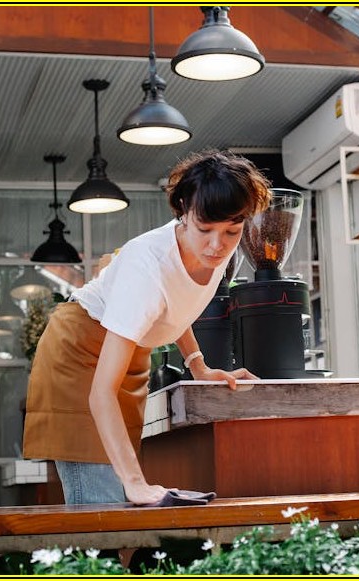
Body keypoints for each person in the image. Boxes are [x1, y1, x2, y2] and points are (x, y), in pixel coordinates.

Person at [22, 149, 272, 506]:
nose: (218, 245)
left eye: (232, 230)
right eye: (205, 229)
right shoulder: (146, 268)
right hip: (78, 351)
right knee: (103, 501)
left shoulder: (213, 247)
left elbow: (175, 306)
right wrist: (136, 483)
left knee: (122, 494)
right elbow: (100, 393)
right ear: (183, 210)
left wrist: (198, 365)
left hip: (126, 350)